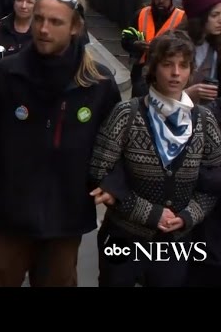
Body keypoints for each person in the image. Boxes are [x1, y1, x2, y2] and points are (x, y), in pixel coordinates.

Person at [0, 0, 121, 287]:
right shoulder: (5, 74)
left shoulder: (98, 84)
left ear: (76, 27)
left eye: (55, 22)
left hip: (64, 217)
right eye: (39, 18)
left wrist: (113, 181)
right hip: (6, 213)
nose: (42, 28)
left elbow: (118, 143)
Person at [89, 30, 221, 287]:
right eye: (167, 64)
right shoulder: (127, 115)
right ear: (153, 67)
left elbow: (214, 182)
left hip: (175, 244)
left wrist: (187, 216)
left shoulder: (205, 122)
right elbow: (99, 171)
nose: (175, 73)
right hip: (125, 238)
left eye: (183, 66)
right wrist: (150, 213)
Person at [121, 0, 185, 98]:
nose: (161, 1)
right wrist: (135, 44)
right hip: (141, 72)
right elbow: (125, 37)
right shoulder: (141, 14)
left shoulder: (182, 18)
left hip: (167, 72)